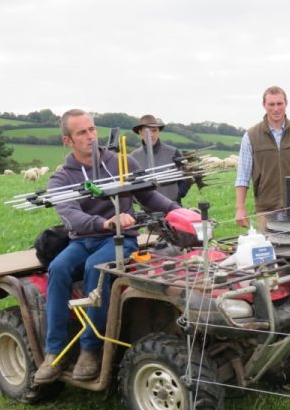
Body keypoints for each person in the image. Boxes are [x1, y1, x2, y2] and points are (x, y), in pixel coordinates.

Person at [34, 109, 180, 384]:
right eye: (82, 133)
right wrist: (103, 222)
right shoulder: (61, 178)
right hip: (84, 238)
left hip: (122, 239)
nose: (91, 137)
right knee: (58, 268)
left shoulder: (122, 163)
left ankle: (90, 348)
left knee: (95, 268)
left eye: (92, 129)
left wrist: (177, 211)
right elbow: (70, 214)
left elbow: (148, 195)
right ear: (68, 141)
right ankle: (54, 352)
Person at [235, 86, 290, 231]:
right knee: (269, 251)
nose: (276, 109)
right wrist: (240, 208)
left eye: (279, 104)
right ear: (264, 105)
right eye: (271, 104)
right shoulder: (251, 136)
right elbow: (243, 175)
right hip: (267, 209)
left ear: (286, 104)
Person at [130, 114, 189, 203]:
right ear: (140, 132)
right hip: (146, 211)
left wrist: (178, 193)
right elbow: (130, 184)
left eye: (154, 131)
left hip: (173, 207)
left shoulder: (173, 152)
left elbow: (187, 176)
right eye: (147, 131)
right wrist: (137, 200)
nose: (151, 135)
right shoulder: (133, 157)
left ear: (158, 132)